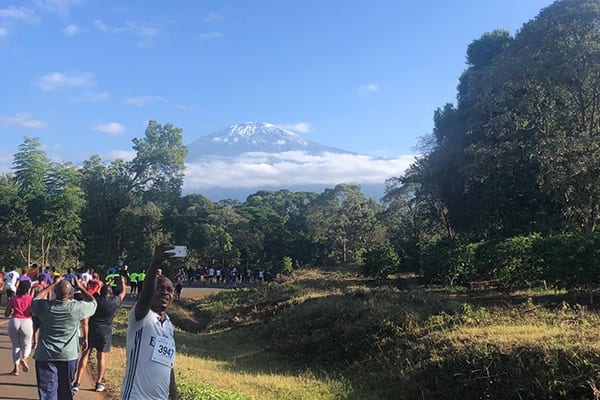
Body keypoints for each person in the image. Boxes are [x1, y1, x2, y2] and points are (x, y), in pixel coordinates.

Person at [121, 243, 178, 400]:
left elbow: (169, 366)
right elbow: (145, 297)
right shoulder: (141, 317)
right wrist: (155, 263)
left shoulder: (169, 325)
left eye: (169, 290)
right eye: (160, 288)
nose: (165, 292)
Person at [32, 277, 97, 400]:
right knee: (65, 390)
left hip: (45, 354)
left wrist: (52, 284)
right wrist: (81, 288)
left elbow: (36, 298)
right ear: (71, 294)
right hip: (68, 355)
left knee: (47, 392)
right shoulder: (76, 308)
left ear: (55, 292)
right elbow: (94, 302)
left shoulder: (45, 307)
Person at [73, 275, 126, 392]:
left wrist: (82, 286)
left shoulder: (95, 300)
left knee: (85, 354)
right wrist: (122, 282)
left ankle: (77, 382)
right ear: (110, 294)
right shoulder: (113, 302)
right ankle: (98, 383)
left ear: (100, 292)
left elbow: (88, 293)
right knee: (101, 357)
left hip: (92, 330)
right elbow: (123, 294)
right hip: (105, 332)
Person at [4, 279, 34, 375]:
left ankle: (16, 368)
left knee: (15, 346)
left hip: (15, 321)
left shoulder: (13, 298)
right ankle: (24, 358)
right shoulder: (31, 299)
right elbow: (34, 313)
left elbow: (6, 314)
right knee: (27, 344)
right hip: (27, 321)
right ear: (28, 289)